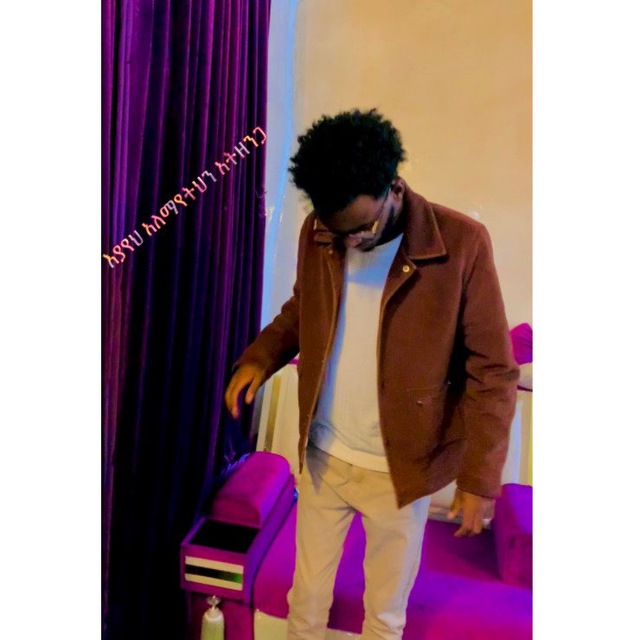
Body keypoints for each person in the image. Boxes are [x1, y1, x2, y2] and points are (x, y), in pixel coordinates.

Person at [224, 108, 519, 640]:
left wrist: (480, 479)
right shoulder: (322, 231)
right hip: (324, 456)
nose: (350, 243)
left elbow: (493, 370)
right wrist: (259, 358)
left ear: (394, 188)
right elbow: (302, 308)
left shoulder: (461, 243)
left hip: (400, 470)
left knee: (384, 617)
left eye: (363, 228)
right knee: (304, 604)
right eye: (338, 232)